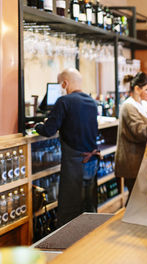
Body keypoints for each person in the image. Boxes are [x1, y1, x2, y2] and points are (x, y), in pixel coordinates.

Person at [35, 68, 99, 227]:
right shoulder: (92, 102)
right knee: (89, 205)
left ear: (65, 83)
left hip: (75, 164)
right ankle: (91, 243)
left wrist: (37, 126)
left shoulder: (64, 101)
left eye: (59, 85)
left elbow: (49, 130)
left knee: (69, 209)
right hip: (92, 162)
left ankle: (68, 248)